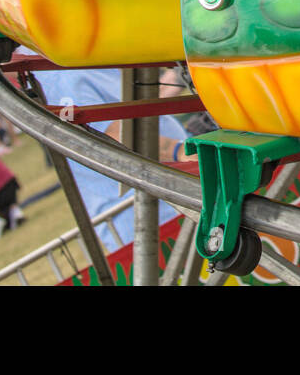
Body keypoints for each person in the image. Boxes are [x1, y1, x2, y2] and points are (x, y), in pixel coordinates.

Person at [31, 66, 185, 252]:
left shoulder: (78, 64)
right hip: (144, 214)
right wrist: (179, 151)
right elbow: (110, 136)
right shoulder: (63, 75)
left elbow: (127, 114)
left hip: (162, 199)